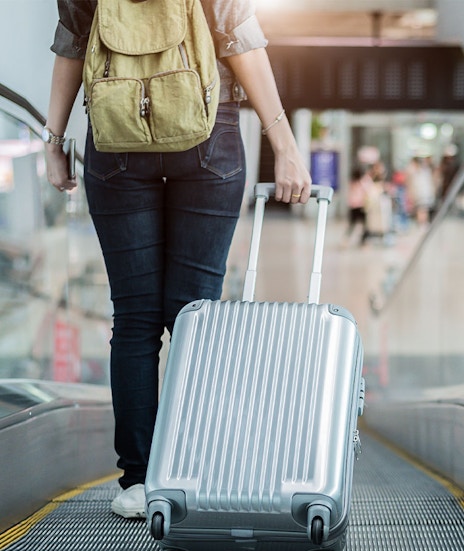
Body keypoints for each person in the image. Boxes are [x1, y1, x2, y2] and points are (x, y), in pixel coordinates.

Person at [44, 0, 311, 518]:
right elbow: (241, 41)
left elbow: (72, 42)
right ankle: (192, 470)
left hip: (116, 131)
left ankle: (138, 481)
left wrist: (55, 142)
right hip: (207, 126)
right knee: (196, 319)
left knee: (136, 317)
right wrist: (285, 145)